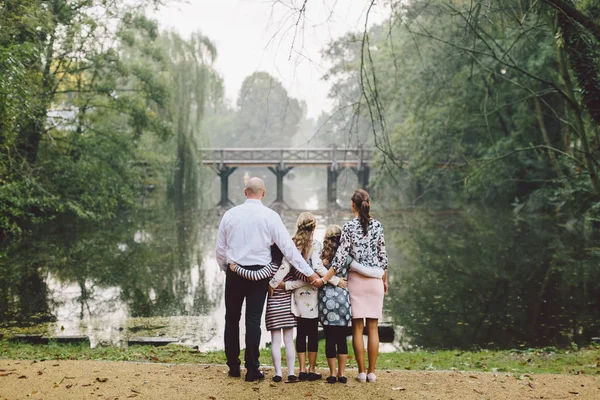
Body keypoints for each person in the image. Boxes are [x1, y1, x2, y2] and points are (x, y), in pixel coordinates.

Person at [215, 177, 322, 382]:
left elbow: (220, 250)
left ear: (245, 192)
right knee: (253, 320)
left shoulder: (230, 215)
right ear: (263, 193)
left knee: (232, 318)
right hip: (260, 274)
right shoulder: (270, 217)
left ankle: (233, 366)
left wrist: (226, 269)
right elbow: (288, 250)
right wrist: (309, 273)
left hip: (235, 273)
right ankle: (252, 369)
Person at [235, 212, 347, 382]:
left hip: (296, 297)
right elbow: (317, 266)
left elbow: (284, 267)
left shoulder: (292, 244)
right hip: (313, 294)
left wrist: (272, 284)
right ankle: (311, 369)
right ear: (314, 227)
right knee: (313, 335)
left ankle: (299, 369)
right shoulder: (316, 245)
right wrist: (334, 280)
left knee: (300, 334)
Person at [323, 189, 388, 383]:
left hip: (357, 281)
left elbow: (340, 258)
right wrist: (384, 280)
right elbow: (383, 257)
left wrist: (325, 278)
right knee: (374, 328)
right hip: (375, 280)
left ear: (353, 205)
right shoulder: (378, 226)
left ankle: (360, 372)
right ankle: (372, 372)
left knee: (358, 328)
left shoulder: (349, 227)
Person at [231, 246, 297, 383]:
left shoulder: (270, 267)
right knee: (289, 341)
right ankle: (291, 373)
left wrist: (237, 268)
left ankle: (278, 373)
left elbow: (255, 275)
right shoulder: (290, 267)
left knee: (276, 342)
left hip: (274, 310)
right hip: (288, 309)